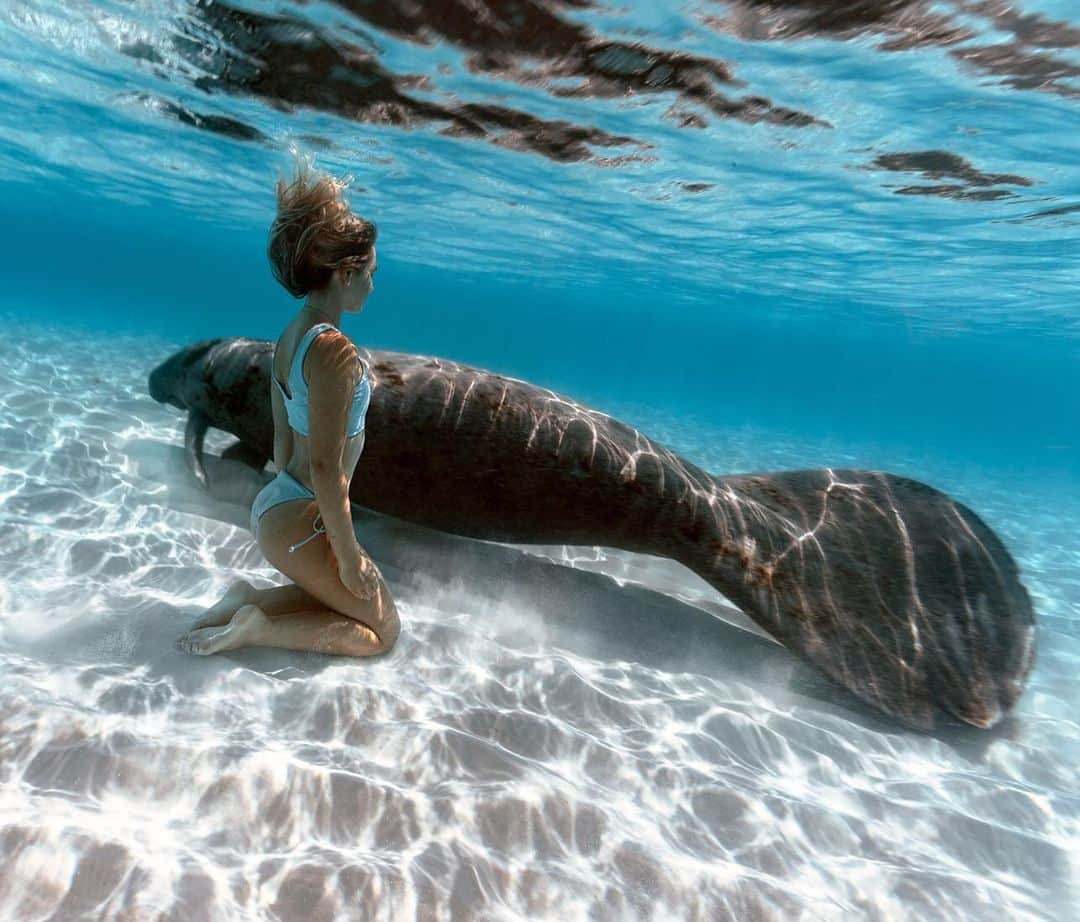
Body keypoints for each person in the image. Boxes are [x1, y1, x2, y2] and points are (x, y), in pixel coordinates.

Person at [176, 160, 400, 657]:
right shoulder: (336, 351)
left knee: (336, 599)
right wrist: (344, 554)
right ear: (345, 273)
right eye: (371, 273)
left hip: (279, 503)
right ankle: (257, 628)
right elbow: (325, 465)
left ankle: (246, 600)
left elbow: (281, 442)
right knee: (382, 635)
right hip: (302, 517)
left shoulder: (289, 338)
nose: (373, 284)